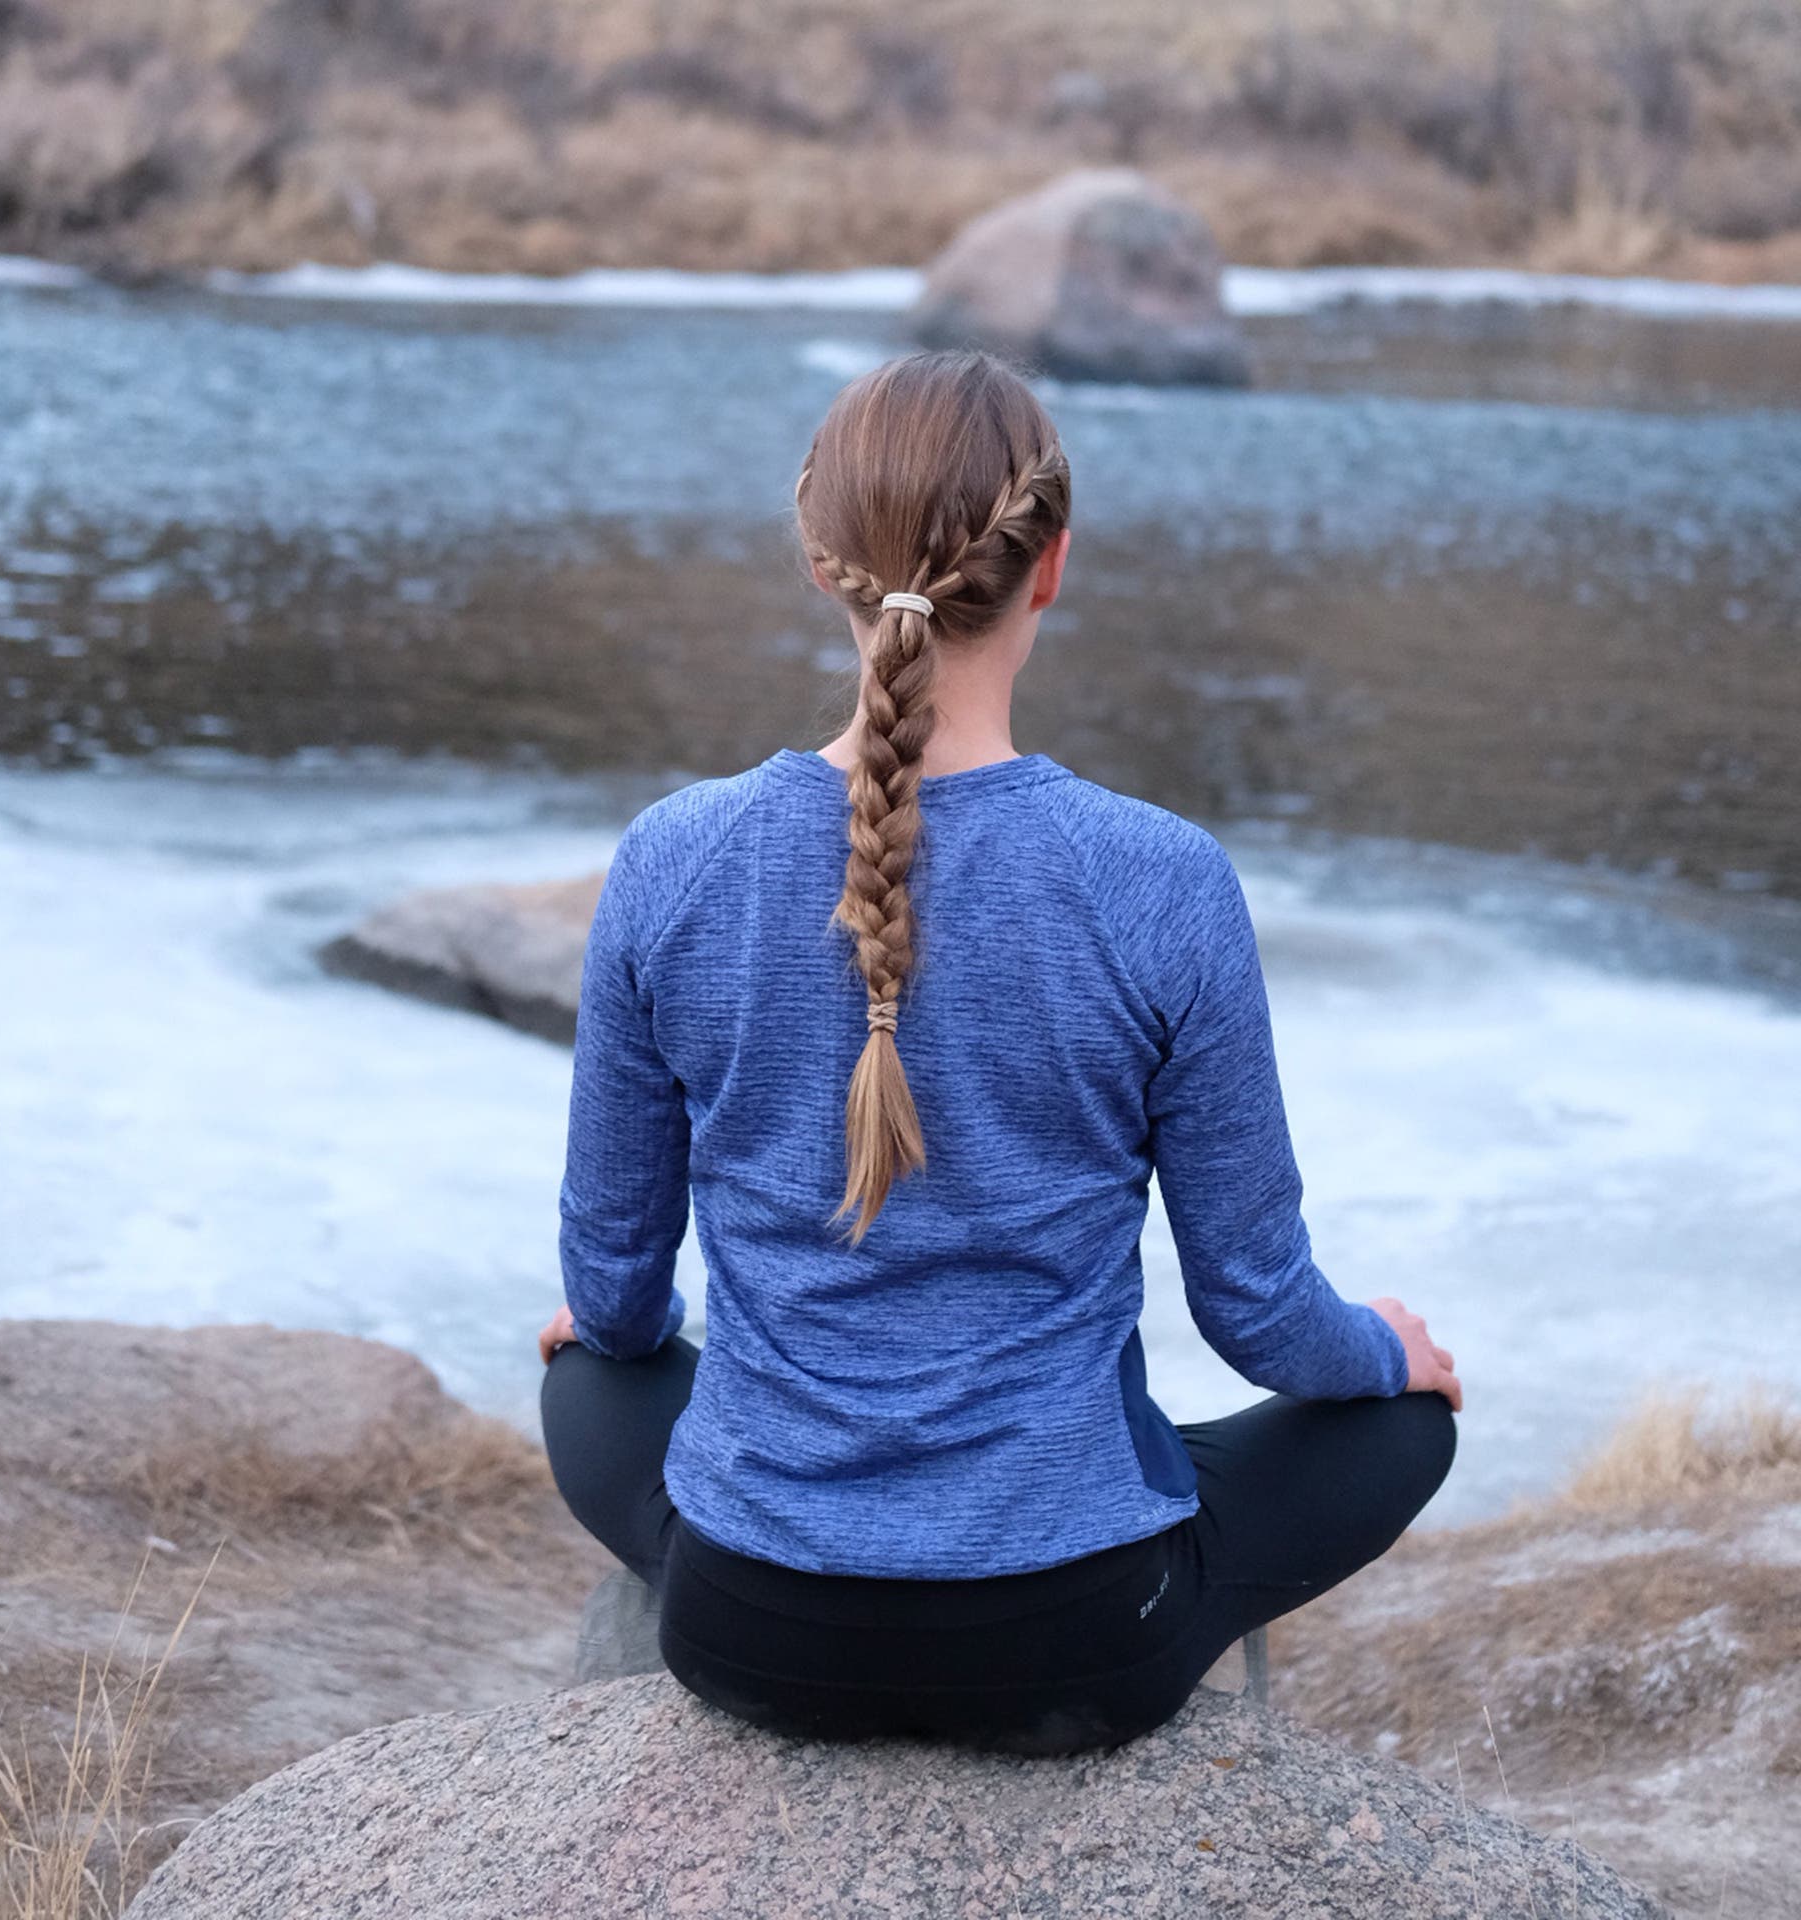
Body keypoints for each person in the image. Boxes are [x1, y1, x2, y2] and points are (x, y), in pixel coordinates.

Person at [537, 347, 1460, 1758]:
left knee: (588, 1380)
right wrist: (1382, 1357)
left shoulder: (673, 860)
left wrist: (628, 1347)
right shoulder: (1161, 881)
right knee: (1403, 1427)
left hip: (752, 1626)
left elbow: (610, 1288)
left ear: (816, 557)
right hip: (1070, 1639)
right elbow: (1259, 1313)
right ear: (1052, 568)